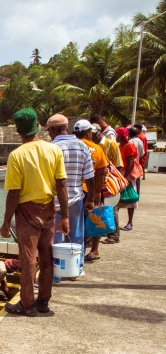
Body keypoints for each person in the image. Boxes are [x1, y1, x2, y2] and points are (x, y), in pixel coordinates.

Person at [1, 108, 69, 316]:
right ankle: (43, 301)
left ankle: (27, 304)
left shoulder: (17, 156)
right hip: (49, 208)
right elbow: (61, 184)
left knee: (29, 259)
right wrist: (65, 215)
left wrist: (5, 222)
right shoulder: (53, 150)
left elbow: (14, 192)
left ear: (17, 130)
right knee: (46, 255)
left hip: (27, 212)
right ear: (38, 125)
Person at [47, 113, 95, 281]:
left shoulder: (51, 148)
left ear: (52, 130)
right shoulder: (82, 146)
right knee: (76, 235)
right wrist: (91, 198)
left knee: (54, 237)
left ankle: (57, 274)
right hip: (76, 197)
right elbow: (89, 176)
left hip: (54, 200)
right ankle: (77, 269)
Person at [73, 119, 108, 262]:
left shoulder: (69, 147)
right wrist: (97, 193)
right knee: (95, 220)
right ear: (88, 133)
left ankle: (75, 252)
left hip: (73, 191)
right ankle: (94, 250)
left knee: (75, 224)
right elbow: (101, 172)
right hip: (91, 190)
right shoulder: (96, 149)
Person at [91, 123, 122, 244]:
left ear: (99, 132)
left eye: (94, 133)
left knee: (111, 206)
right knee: (97, 208)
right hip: (96, 180)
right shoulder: (92, 146)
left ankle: (114, 235)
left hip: (108, 180)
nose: (92, 136)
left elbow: (118, 164)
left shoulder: (110, 143)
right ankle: (98, 233)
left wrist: (114, 182)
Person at [116, 127, 139, 231]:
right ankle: (115, 223)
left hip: (127, 174)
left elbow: (130, 162)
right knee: (117, 199)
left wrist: (125, 177)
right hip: (120, 173)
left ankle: (130, 222)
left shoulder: (129, 145)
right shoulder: (119, 146)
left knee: (130, 199)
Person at [127, 126, 144, 195]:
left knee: (129, 182)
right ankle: (136, 195)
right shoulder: (140, 141)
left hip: (129, 165)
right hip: (137, 165)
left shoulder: (129, 142)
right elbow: (142, 153)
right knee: (137, 181)